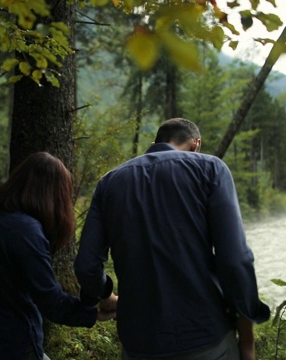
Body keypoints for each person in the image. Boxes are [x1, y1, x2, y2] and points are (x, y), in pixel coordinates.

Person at [74, 118, 270, 360]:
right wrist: (247, 343)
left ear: (154, 143)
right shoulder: (210, 169)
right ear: (196, 144)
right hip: (206, 337)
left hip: (139, 343)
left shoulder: (109, 182)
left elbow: (86, 266)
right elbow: (235, 260)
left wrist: (105, 297)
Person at [0, 152, 117, 360]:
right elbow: (50, 300)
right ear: (53, 194)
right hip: (15, 341)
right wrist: (94, 314)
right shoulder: (27, 231)